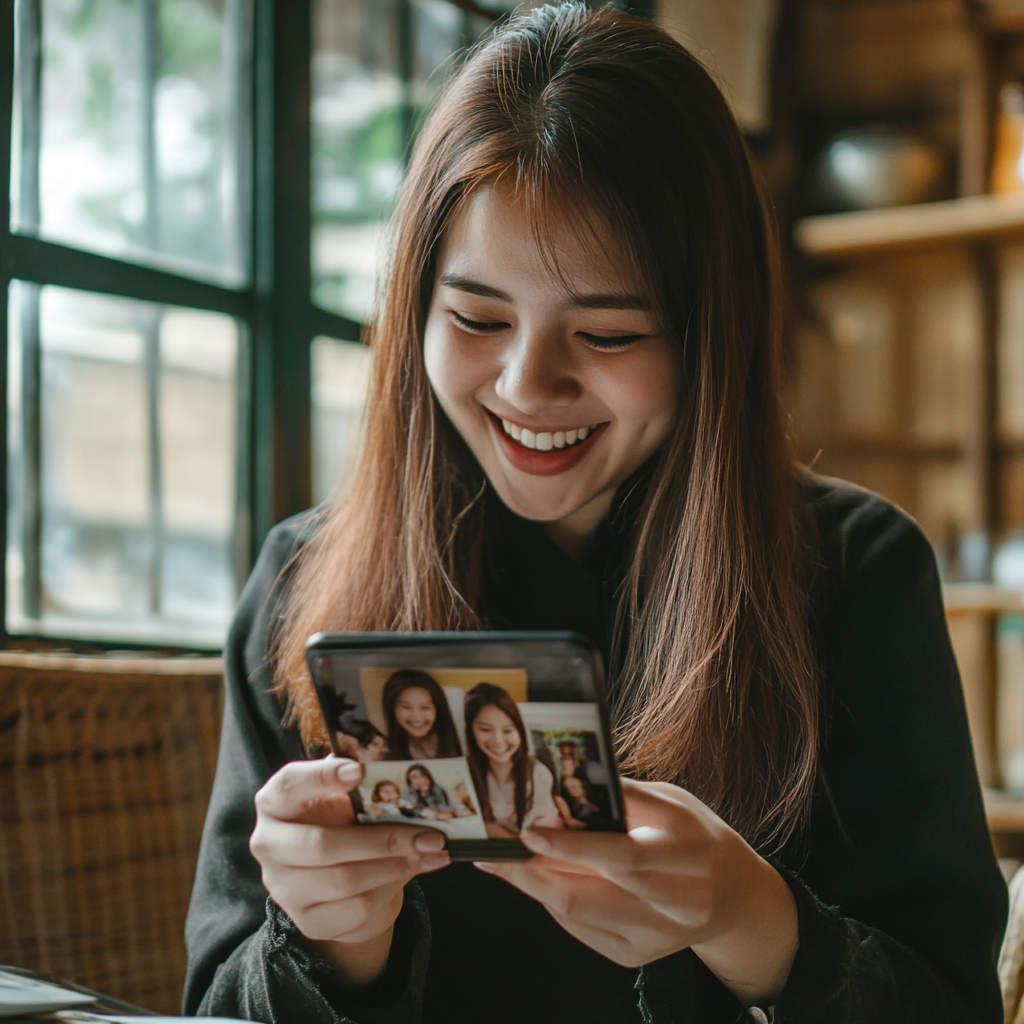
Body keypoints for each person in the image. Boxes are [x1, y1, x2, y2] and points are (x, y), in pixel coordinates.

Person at [183, 5, 1008, 1023]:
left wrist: (754, 923)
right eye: (476, 318)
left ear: (711, 337)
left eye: (609, 333)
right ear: (411, 314)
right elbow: (210, 1003)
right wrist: (325, 945)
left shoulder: (853, 570)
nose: (530, 386)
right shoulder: (302, 578)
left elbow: (950, 1001)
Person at [463, 683, 562, 837]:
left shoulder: (538, 773)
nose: (498, 741)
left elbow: (543, 823)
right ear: (471, 731)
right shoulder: (463, 773)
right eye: (485, 730)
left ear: (520, 731)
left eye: (508, 731)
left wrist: (497, 831)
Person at [380, 669, 462, 760]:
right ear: (392, 709)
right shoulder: (383, 750)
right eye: (406, 707)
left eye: (425, 707)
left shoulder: (461, 741)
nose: (417, 717)